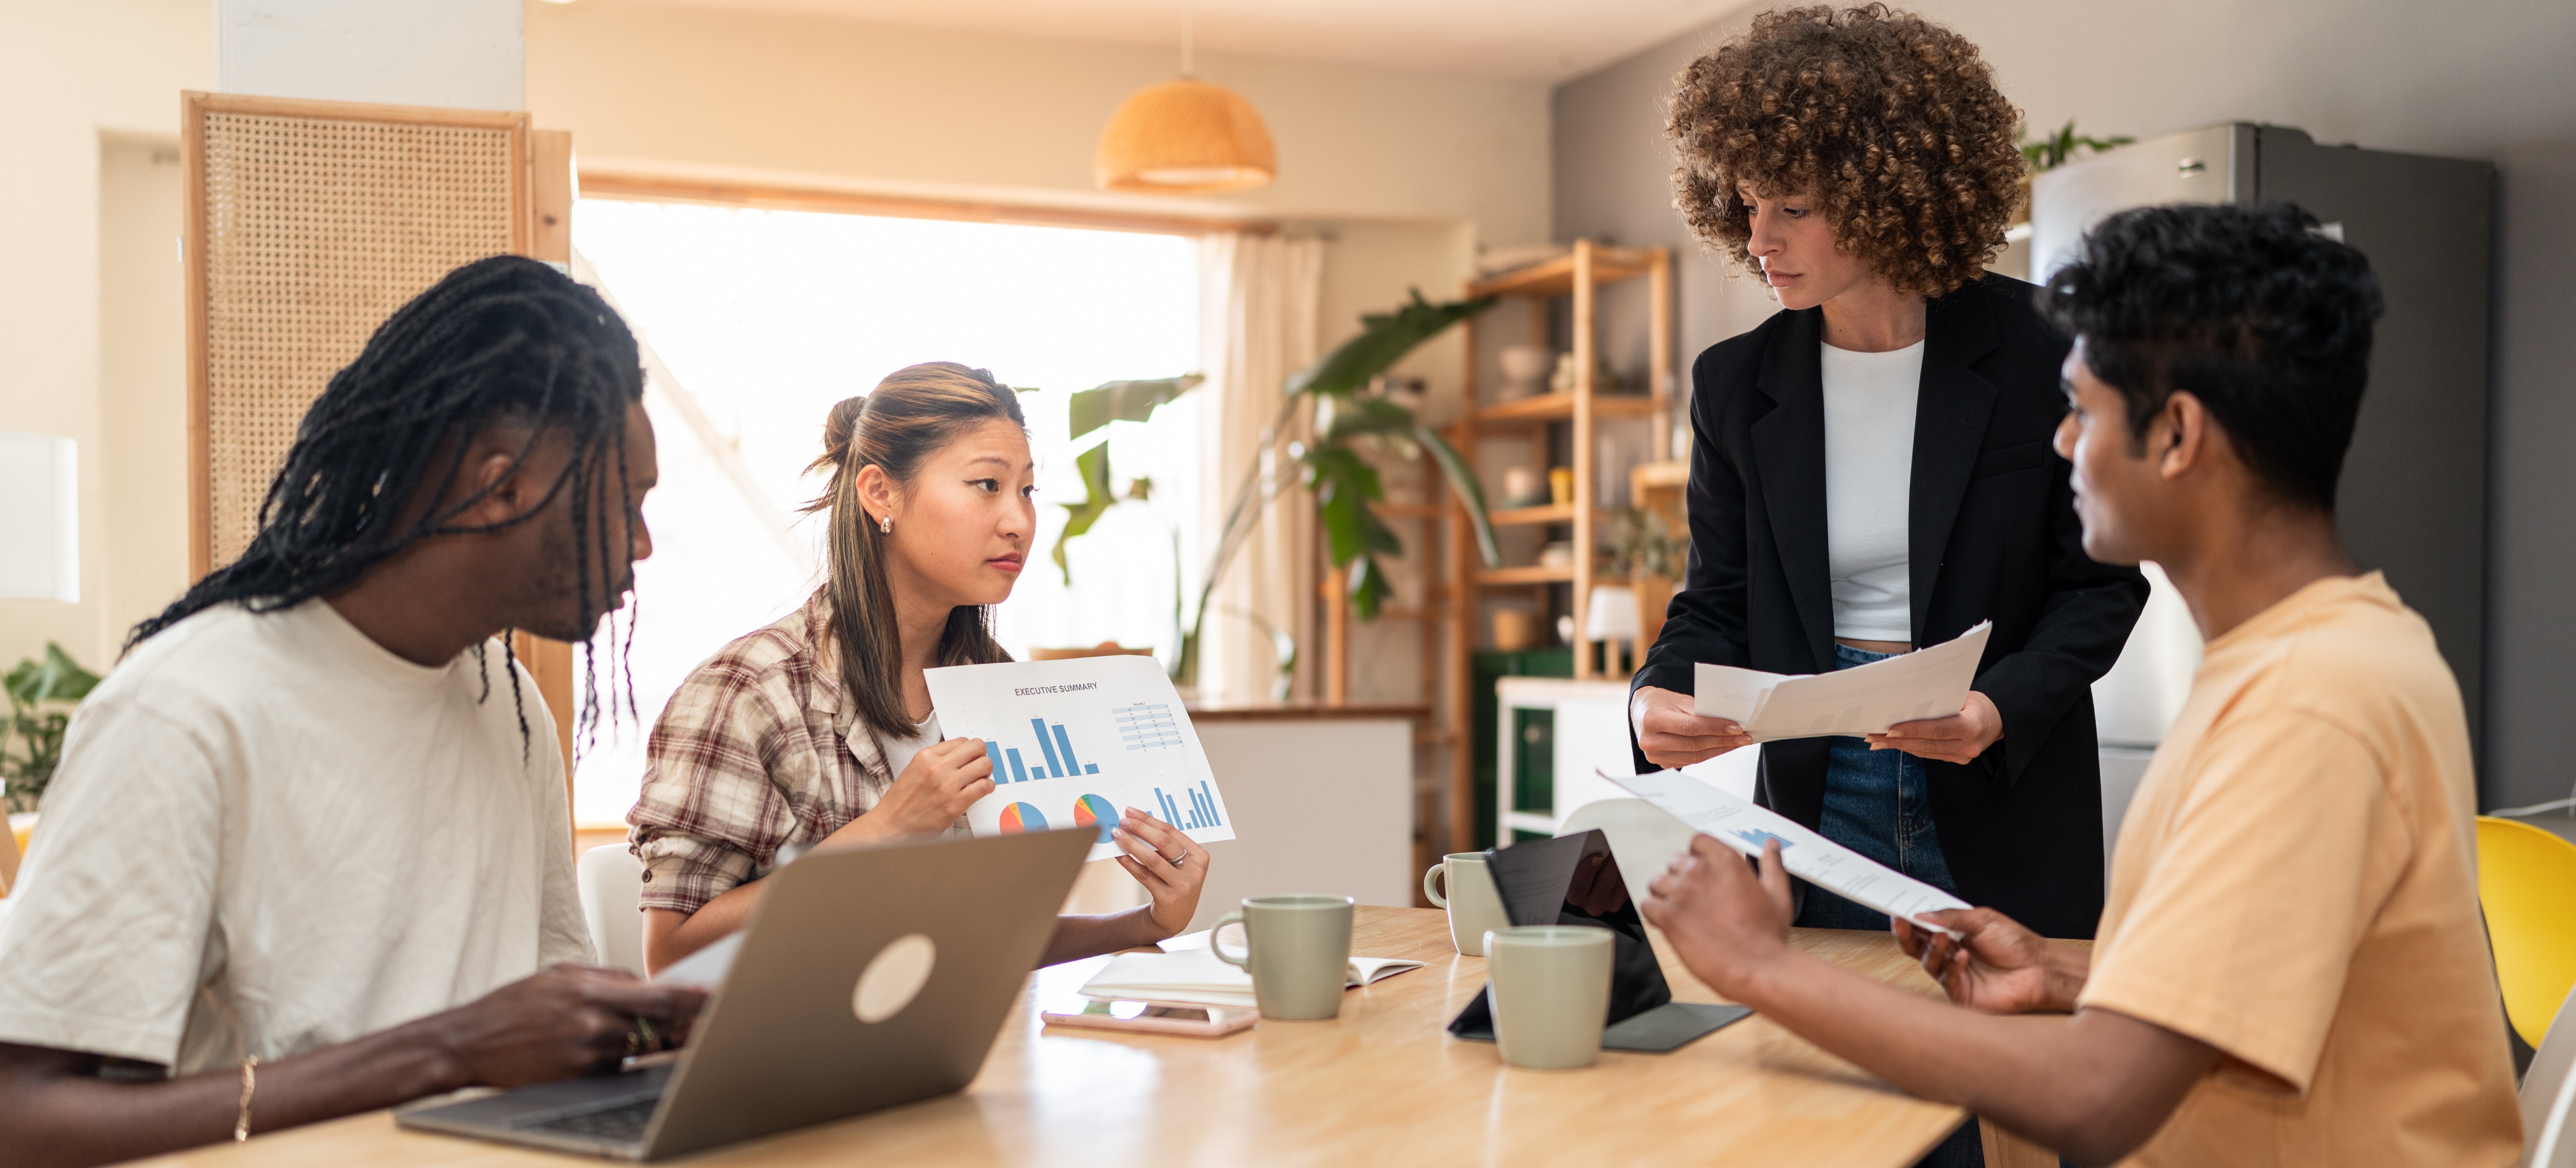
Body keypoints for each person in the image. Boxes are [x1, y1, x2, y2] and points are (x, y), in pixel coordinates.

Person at [1642, 203, 2524, 1166]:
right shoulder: (2327, 655)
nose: (2061, 445)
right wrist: (2063, 968)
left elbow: (2097, 1094)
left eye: (2084, 410)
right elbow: (2257, 974)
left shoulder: (2309, 711)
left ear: (2177, 435)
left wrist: (1759, 966)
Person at [0, 256, 706, 1168]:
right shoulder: (184, 713)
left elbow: (533, 1011)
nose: (643, 544)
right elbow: (21, 1118)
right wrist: (444, 1051)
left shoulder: (507, 701)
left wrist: (652, 1026)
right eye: (626, 503)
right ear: (502, 487)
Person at [1630, 4, 2147, 942]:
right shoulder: (1735, 385)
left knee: (2012, 1070)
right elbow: (1716, 598)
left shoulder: (2044, 349)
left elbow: (2099, 587)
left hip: (2000, 781)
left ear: (1890, 194)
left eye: (1792, 207)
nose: (1758, 239)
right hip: (1815, 795)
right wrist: (1650, 697)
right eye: (1747, 203)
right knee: (1826, 1069)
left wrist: (1995, 707)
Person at [630, 362, 1206, 973]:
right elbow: (672, 954)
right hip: (793, 1062)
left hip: (962, 1055)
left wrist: (1146, 922)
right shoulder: (748, 694)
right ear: (880, 493)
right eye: (987, 484)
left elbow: (983, 939)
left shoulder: (998, 686)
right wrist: (884, 832)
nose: (1019, 521)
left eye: (1027, 490)